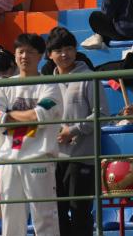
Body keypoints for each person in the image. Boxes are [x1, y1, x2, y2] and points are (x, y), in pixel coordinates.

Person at [0, 33, 63, 236]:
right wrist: (27, 116)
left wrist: (7, 116)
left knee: (44, 216)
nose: (24, 56)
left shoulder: (50, 86)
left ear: (41, 55)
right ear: (15, 55)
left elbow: (40, 115)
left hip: (39, 158)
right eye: (20, 52)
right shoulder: (2, 85)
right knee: (11, 217)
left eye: (30, 52)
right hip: (8, 160)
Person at [46, 28, 105, 235]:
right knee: (58, 213)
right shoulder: (46, 83)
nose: (64, 54)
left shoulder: (89, 77)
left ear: (76, 50)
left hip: (82, 158)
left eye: (69, 48)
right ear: (49, 54)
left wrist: (73, 130)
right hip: (54, 159)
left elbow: (102, 114)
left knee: (80, 213)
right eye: (58, 50)